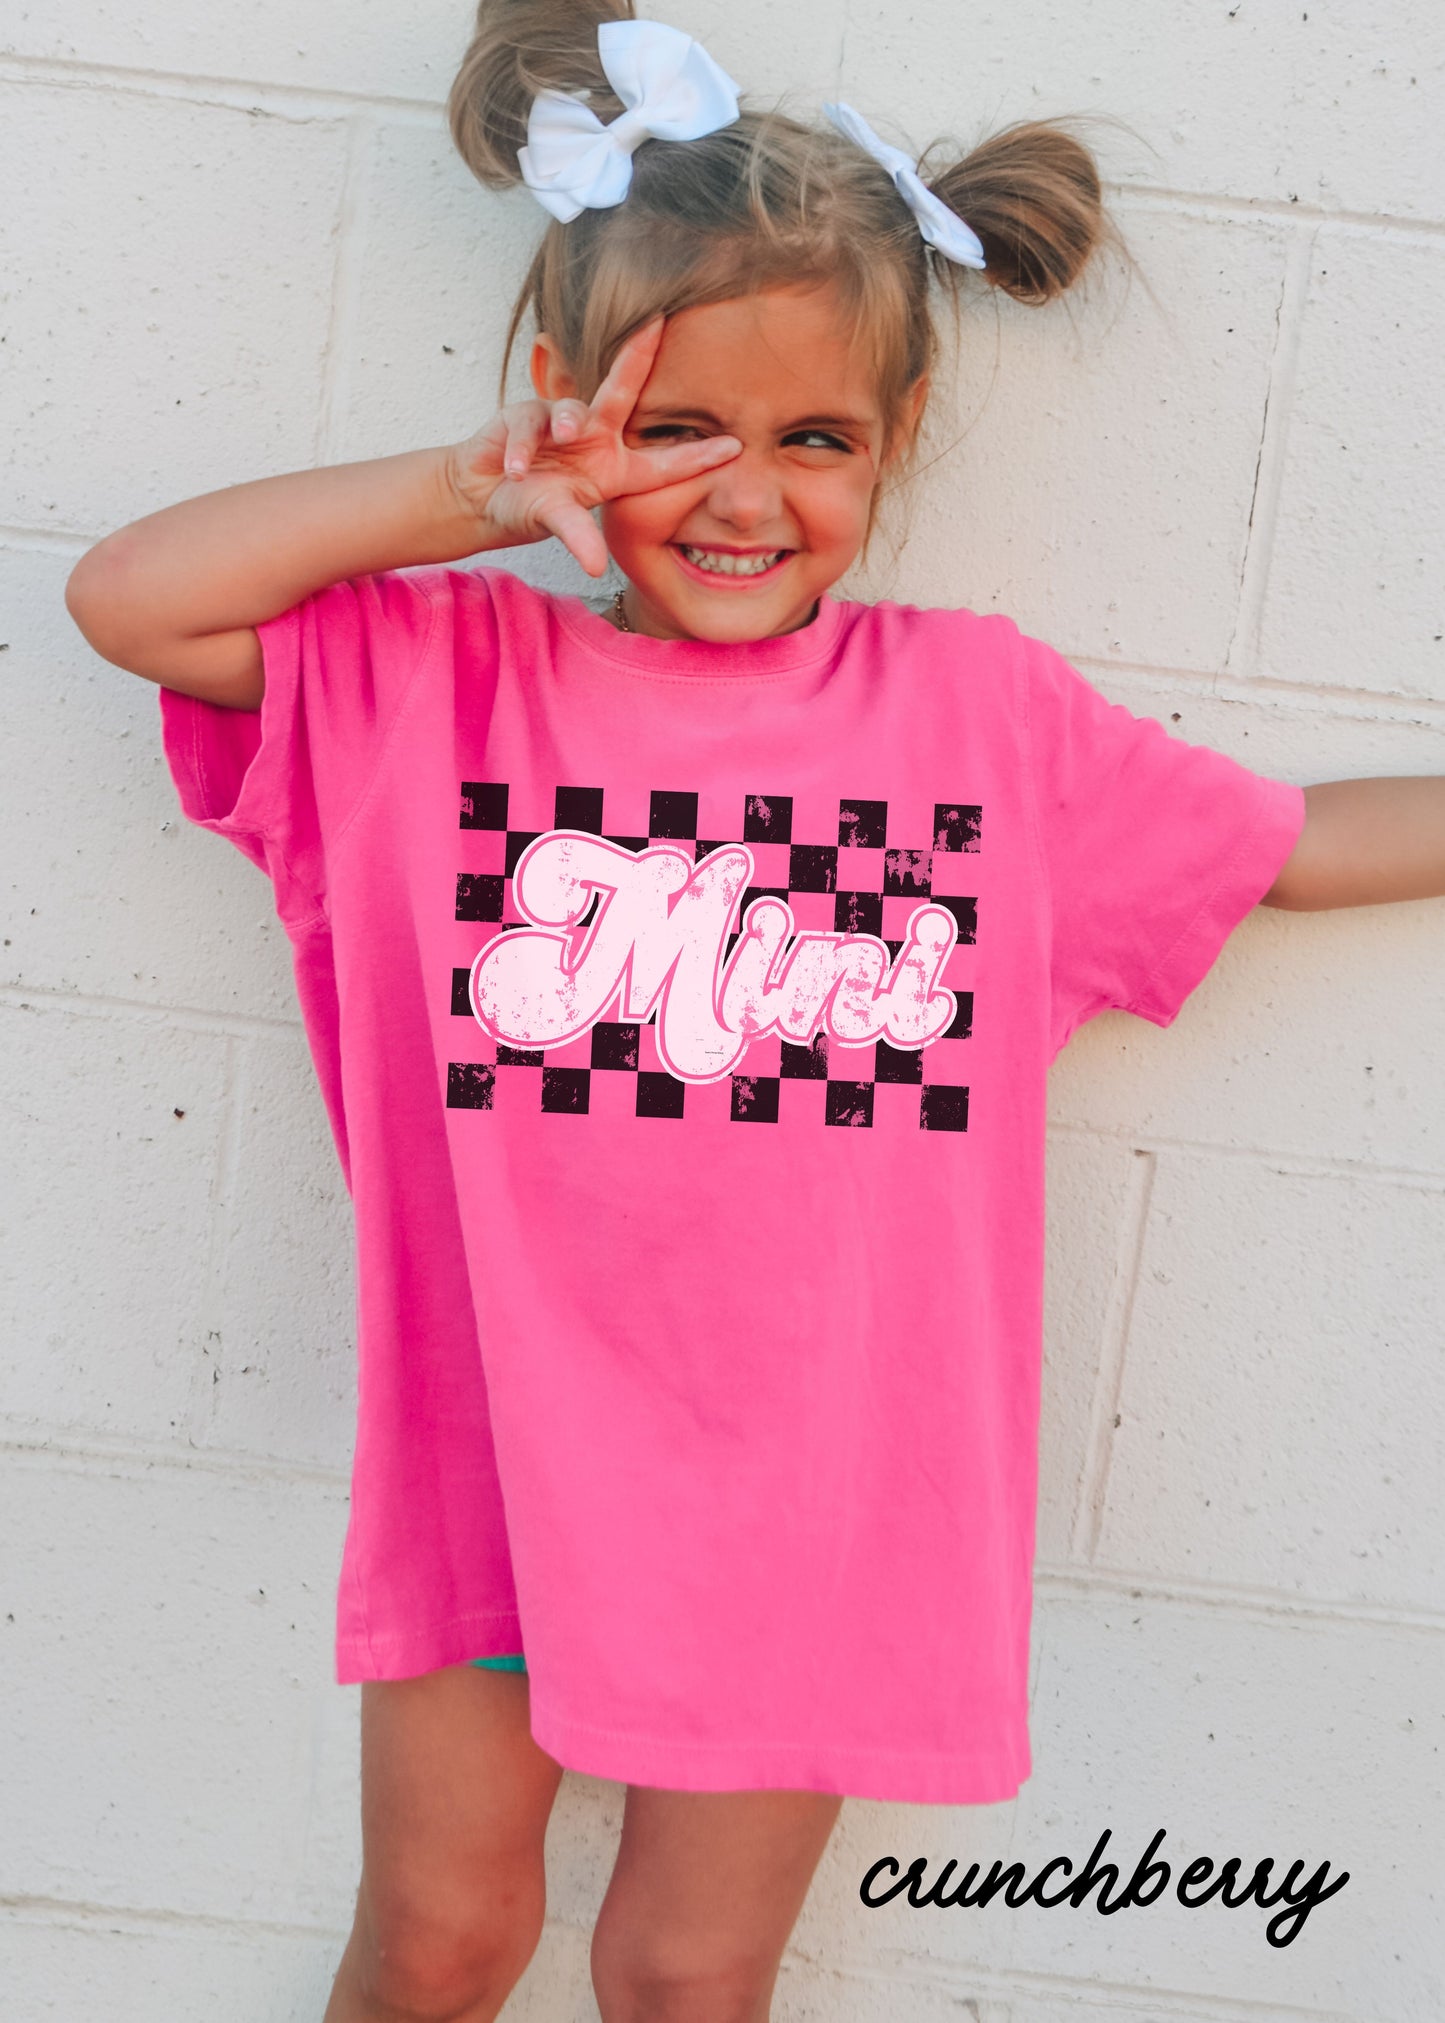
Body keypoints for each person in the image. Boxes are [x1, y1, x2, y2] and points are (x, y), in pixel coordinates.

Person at [62, 4, 1444, 2019]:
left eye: (816, 439)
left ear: (893, 441)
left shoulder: (976, 721)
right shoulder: (439, 684)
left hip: (814, 1506)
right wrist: (470, 492)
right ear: (563, 408)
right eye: (676, 427)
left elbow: (1292, 846)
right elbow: (134, 601)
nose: (742, 493)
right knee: (439, 1944)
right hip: (499, 1460)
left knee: (686, 1975)